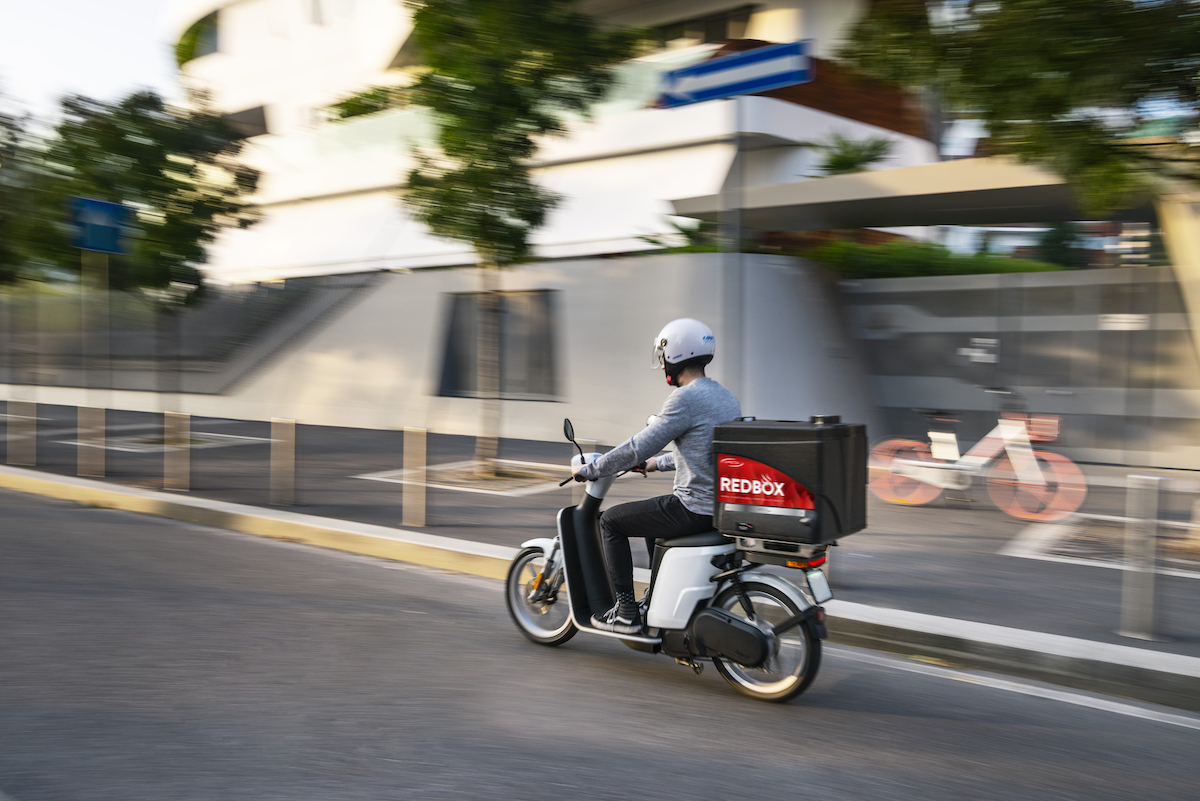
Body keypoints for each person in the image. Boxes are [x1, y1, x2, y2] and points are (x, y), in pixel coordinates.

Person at [571, 318, 741, 634]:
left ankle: (625, 612)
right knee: (650, 519)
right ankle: (653, 600)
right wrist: (656, 464)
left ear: (674, 354)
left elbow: (638, 446)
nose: (663, 363)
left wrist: (591, 470)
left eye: (663, 356)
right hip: (718, 508)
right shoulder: (725, 396)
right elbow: (703, 452)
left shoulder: (685, 398)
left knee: (610, 522)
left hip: (694, 508)